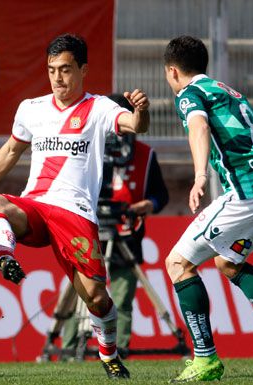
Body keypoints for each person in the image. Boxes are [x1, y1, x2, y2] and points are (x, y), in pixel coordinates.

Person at [0, 34, 150, 379]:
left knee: (96, 298)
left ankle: (109, 355)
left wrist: (142, 112)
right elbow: (11, 151)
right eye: (51, 70)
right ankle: (5, 256)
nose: (58, 78)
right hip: (35, 207)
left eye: (65, 69)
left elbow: (134, 126)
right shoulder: (31, 109)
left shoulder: (100, 108)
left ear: (83, 69)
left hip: (75, 213)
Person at [162, 35, 253, 382]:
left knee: (177, 263)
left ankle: (205, 359)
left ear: (172, 71)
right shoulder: (229, 91)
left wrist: (199, 176)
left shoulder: (190, 94)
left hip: (247, 194)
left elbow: (197, 127)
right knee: (227, 262)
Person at [61, 94, 169, 358]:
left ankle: (118, 348)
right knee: (83, 294)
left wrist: (148, 205)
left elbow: (161, 195)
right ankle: (68, 348)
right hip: (89, 232)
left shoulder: (145, 154)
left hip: (127, 236)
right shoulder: (87, 148)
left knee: (121, 299)